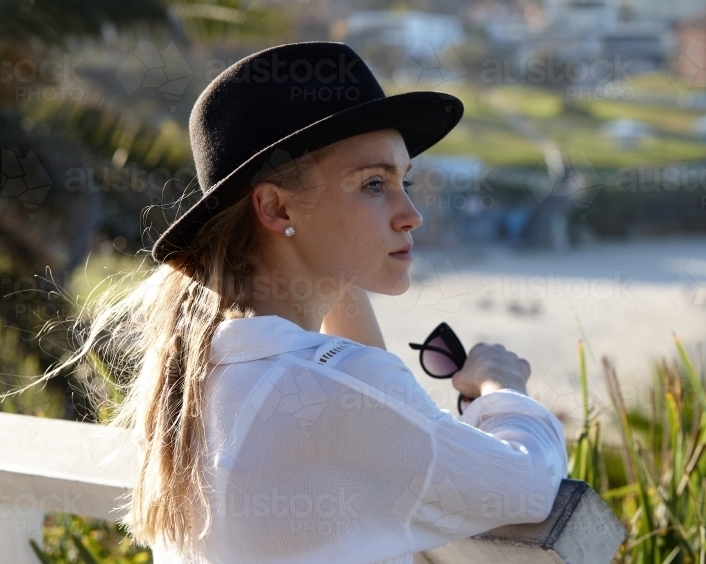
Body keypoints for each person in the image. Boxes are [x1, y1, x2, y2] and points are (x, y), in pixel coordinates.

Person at [30, 42, 569, 563]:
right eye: (375, 184)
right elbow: (526, 484)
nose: (411, 214)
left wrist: (334, 264)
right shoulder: (328, 390)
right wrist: (503, 387)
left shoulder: (203, 371)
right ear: (276, 208)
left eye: (406, 180)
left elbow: (350, 383)